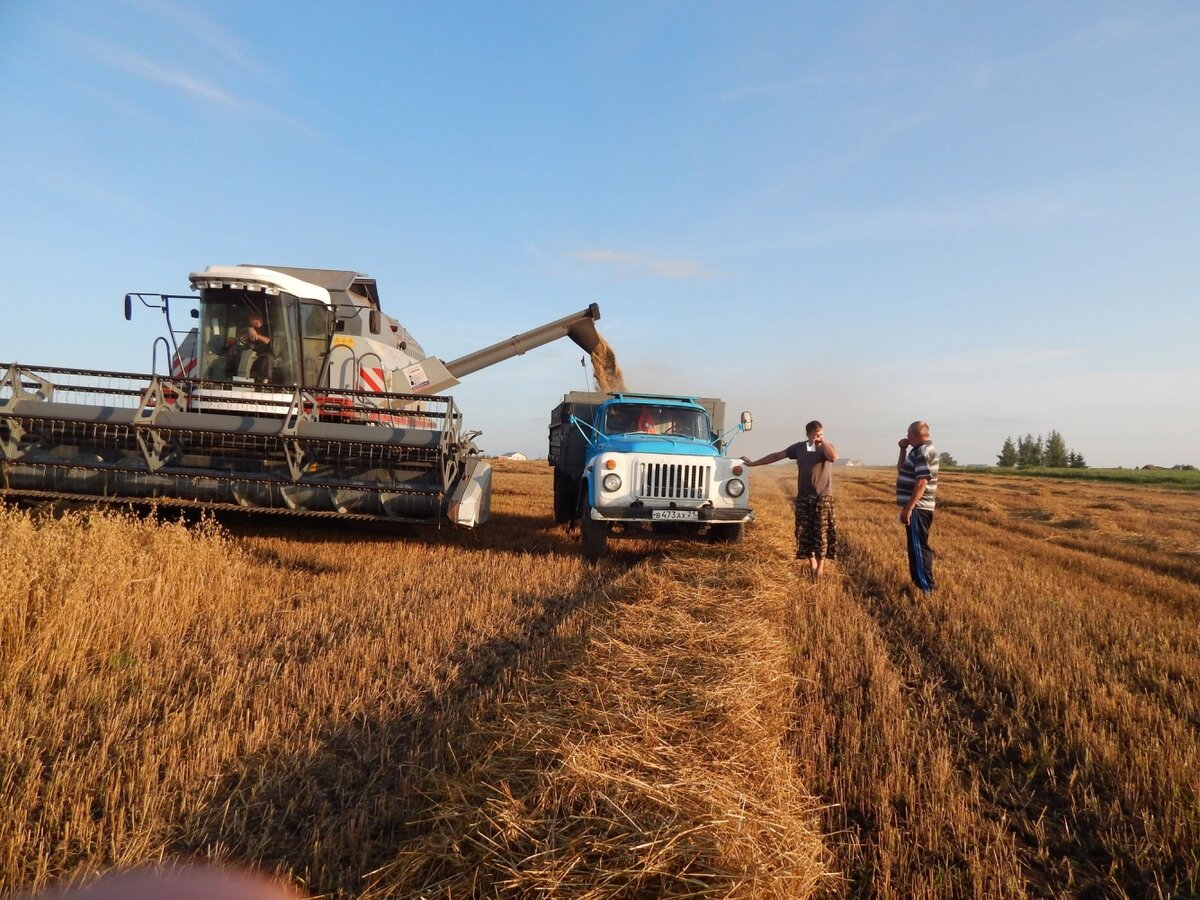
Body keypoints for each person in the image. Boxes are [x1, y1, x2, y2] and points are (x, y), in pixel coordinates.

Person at [741, 420, 838, 581]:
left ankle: (820, 567)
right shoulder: (799, 448)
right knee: (803, 531)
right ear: (808, 434)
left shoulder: (827, 448)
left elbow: (833, 457)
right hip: (804, 497)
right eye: (815, 434)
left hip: (823, 497)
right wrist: (753, 463)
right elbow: (777, 456)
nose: (818, 437)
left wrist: (823, 442)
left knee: (821, 533)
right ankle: (812, 563)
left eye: (821, 434)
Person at [896, 420, 939, 594]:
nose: (906, 437)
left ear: (916, 434)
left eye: (908, 434)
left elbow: (922, 481)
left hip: (918, 508)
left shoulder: (921, 450)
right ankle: (918, 584)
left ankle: (926, 588)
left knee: (918, 548)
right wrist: (902, 450)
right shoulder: (921, 450)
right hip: (920, 508)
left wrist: (909, 508)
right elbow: (902, 470)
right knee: (915, 547)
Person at [238, 312, 273, 382]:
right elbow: (241, 339)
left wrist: (256, 336)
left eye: (251, 319)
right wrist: (248, 331)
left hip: (261, 354)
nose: (249, 320)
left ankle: (265, 381)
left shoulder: (267, 328)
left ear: (258, 319)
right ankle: (237, 379)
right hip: (247, 352)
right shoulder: (248, 328)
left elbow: (267, 340)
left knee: (268, 358)